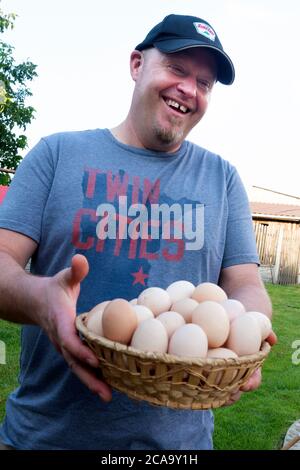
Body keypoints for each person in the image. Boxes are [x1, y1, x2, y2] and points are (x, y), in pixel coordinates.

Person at [0, 14, 276, 450]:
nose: (190, 88)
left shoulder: (222, 178)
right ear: (136, 65)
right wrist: (39, 300)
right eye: (177, 69)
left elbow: (244, 283)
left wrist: (249, 328)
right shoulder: (56, 155)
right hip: (45, 438)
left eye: (204, 83)